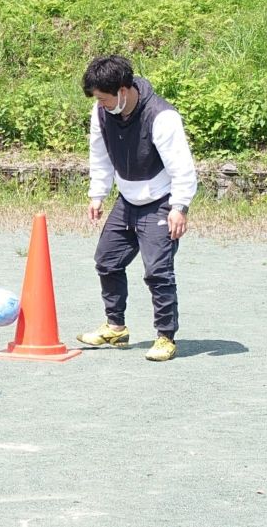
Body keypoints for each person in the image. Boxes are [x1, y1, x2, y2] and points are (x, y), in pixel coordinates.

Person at [76, 55, 197, 361]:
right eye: (97, 100)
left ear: (124, 91)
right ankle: (116, 328)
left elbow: (183, 167)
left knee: (158, 271)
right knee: (107, 261)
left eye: (104, 98)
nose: (100, 104)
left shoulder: (162, 116)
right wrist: (97, 194)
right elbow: (99, 153)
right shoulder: (101, 112)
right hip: (127, 200)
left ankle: (166, 337)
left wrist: (179, 207)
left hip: (161, 202)